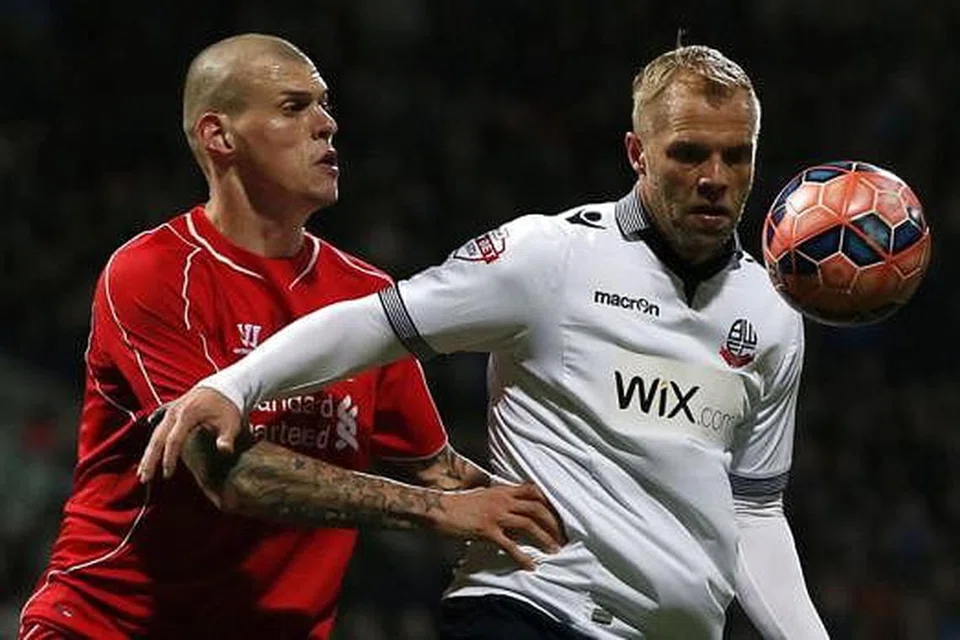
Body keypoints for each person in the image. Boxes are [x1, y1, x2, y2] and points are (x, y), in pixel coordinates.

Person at [139, 44, 830, 639]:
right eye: (688, 153)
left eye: (736, 157)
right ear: (637, 153)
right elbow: (376, 321)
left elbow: (753, 510)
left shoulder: (771, 311)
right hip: (531, 607)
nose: (715, 178)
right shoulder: (548, 258)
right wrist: (235, 385)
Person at [18, 33, 564, 640]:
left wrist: (589, 513)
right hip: (110, 624)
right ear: (218, 136)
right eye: (292, 107)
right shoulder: (154, 272)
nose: (326, 125)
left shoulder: (365, 298)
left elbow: (441, 475)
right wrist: (441, 515)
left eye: (324, 104)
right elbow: (230, 475)